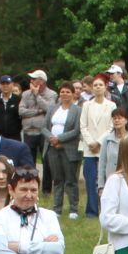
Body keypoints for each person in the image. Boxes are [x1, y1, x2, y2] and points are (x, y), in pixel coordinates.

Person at [44, 81, 83, 219]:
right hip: (52, 148)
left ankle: (73, 209)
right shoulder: (52, 108)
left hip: (69, 148)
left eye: (68, 92)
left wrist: (60, 139)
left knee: (71, 180)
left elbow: (77, 130)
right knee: (57, 179)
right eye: (62, 92)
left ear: (73, 94)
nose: (64, 94)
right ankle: (57, 209)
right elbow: (44, 127)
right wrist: (52, 139)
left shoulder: (77, 110)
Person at [79, 75, 114, 218]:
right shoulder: (86, 105)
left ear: (105, 87)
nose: (98, 87)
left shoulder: (111, 105)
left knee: (105, 180)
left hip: (104, 147)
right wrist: (91, 142)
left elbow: (112, 126)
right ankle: (91, 211)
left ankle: (106, 210)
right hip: (89, 149)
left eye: (100, 85)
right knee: (90, 179)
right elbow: (83, 125)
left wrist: (99, 142)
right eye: (95, 85)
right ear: (92, 88)